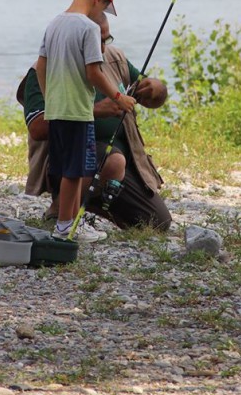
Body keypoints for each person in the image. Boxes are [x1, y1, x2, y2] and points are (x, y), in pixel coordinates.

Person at [19, 13, 172, 234]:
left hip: (118, 165)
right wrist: (94, 112)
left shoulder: (114, 58)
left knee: (157, 222)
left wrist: (157, 89)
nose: (101, 48)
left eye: (106, 39)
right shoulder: (46, 68)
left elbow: (153, 98)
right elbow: (37, 128)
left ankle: (94, 200)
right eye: (95, 41)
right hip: (67, 159)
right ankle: (62, 211)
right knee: (113, 161)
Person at [36, 0, 136, 242]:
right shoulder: (89, 28)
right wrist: (119, 97)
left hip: (56, 111)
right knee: (76, 171)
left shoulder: (54, 23)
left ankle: (65, 223)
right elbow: (94, 73)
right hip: (78, 113)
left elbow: (41, 66)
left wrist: (50, 99)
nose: (103, 11)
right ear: (99, 0)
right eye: (105, 6)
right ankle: (65, 226)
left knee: (69, 170)